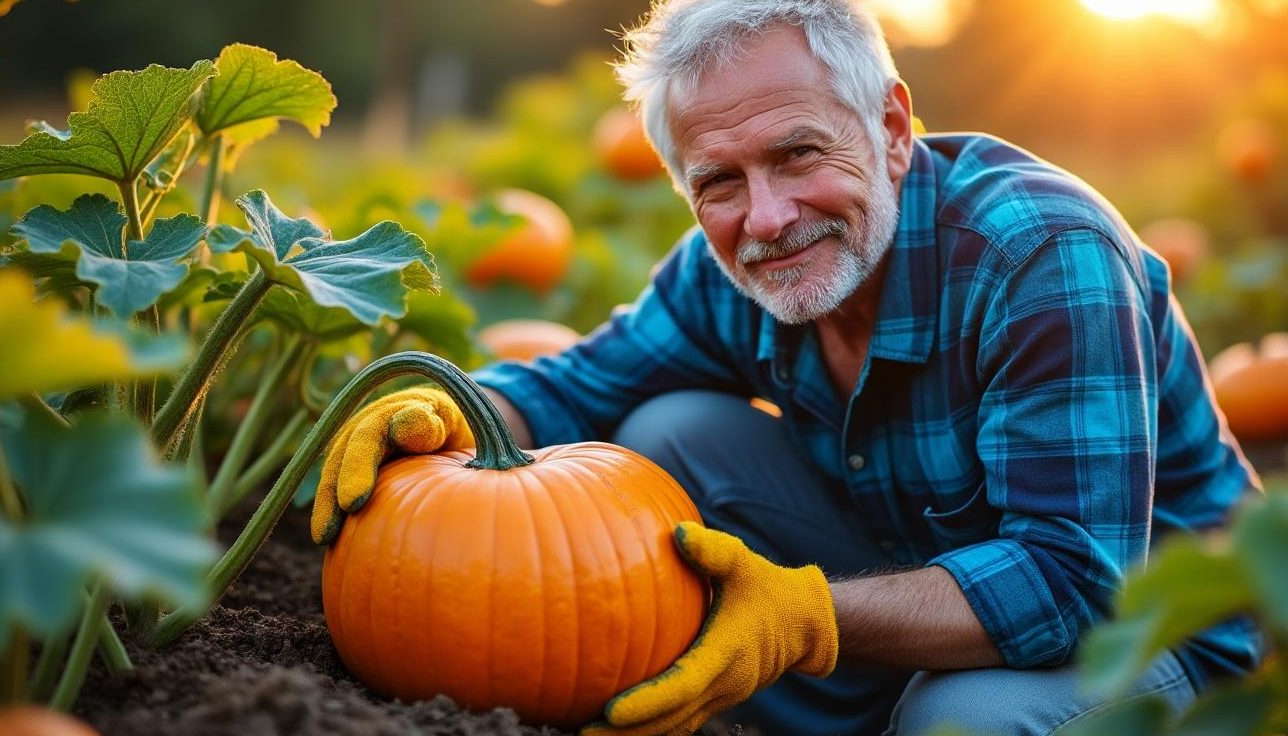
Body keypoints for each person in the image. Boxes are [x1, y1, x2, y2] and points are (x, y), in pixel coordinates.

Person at [309, 1, 1264, 734]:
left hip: (1162, 627)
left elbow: (1073, 582)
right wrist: (448, 411)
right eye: (719, 181)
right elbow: (572, 386)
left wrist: (806, 618)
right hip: (924, 574)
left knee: (957, 721)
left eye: (799, 152)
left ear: (891, 130)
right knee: (666, 432)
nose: (765, 219)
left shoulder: (1040, 256)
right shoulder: (727, 267)